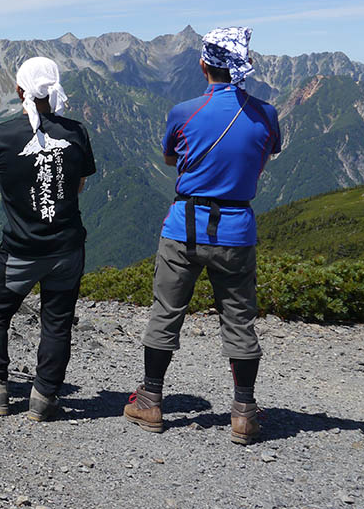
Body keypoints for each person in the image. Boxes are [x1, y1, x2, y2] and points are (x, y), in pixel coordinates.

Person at [124, 27, 281, 445]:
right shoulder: (266, 114)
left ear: (202, 64)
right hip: (236, 230)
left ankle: (150, 400)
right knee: (240, 319)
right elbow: (265, 155)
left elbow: (170, 157)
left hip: (184, 228)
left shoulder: (184, 111)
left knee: (166, 312)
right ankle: (244, 412)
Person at [0, 57, 96, 421]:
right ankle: (44, 395)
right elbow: (79, 184)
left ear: (19, 90)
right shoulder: (77, 132)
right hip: (67, 247)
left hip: (21, 248)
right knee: (57, 321)